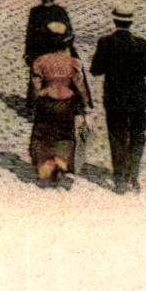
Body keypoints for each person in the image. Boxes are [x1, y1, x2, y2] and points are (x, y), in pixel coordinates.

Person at [90, 6, 146, 194]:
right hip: (137, 101)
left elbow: (96, 70)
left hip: (114, 100)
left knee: (117, 138)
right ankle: (133, 175)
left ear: (114, 21)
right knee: (138, 137)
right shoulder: (140, 44)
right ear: (131, 22)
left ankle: (119, 179)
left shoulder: (105, 43)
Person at [28, 20, 91, 188]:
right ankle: (61, 165)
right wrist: (84, 104)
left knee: (43, 136)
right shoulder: (73, 63)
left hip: (46, 101)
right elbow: (80, 86)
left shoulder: (40, 62)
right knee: (64, 136)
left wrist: (34, 104)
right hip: (66, 103)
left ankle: (45, 169)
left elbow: (35, 86)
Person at [23, 0, 74, 108]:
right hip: (59, 50)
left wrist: (28, 53)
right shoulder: (60, 11)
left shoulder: (35, 12)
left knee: (37, 79)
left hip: (41, 50)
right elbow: (70, 33)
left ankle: (35, 107)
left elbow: (30, 35)